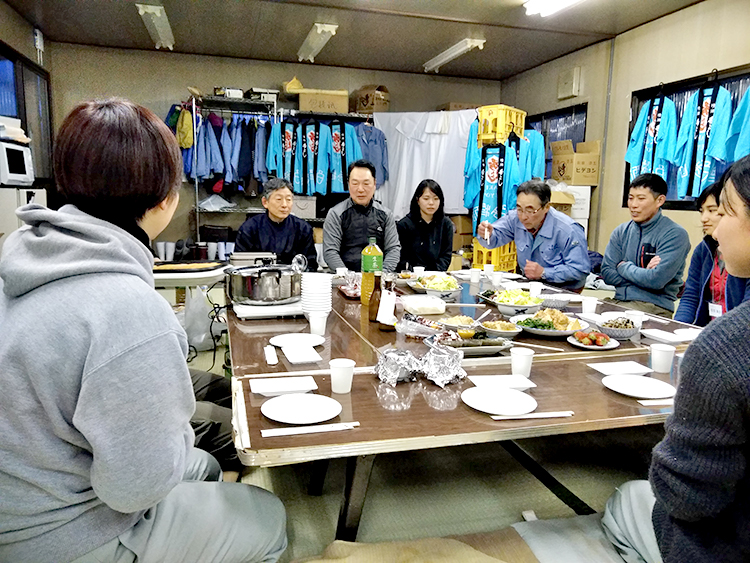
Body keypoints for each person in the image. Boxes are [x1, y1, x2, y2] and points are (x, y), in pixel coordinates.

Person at [0, 99, 287, 563]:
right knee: (268, 516)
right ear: (165, 200)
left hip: (23, 496)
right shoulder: (129, 307)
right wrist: (173, 430)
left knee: (206, 465)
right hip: (58, 535)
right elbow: (136, 489)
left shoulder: (21, 261)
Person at [600, 154, 750, 563]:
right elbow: (609, 271)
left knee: (627, 498)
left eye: (724, 212)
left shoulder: (727, 348)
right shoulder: (694, 250)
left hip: (725, 547)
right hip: (636, 310)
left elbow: (684, 498)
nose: (713, 225)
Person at [601, 173, 690, 318]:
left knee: (609, 322)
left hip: (654, 307)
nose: (633, 205)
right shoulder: (621, 231)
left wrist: (623, 267)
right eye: (631, 198)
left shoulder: (674, 234)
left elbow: (656, 280)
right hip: (619, 301)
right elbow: (607, 274)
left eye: (641, 198)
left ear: (660, 200)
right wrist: (643, 274)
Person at [477, 179, 590, 290]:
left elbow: (580, 270)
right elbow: (494, 239)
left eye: (530, 210)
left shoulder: (568, 230)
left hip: (564, 288)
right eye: (519, 209)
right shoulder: (514, 218)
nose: (523, 217)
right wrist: (486, 234)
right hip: (530, 283)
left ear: (546, 207)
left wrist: (544, 272)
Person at [674, 178, 750, 325]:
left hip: (732, 332)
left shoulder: (743, 252)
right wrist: (678, 328)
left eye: (712, 211)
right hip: (706, 328)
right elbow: (691, 295)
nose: (704, 218)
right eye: (702, 211)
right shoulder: (702, 250)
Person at [323, 159, 400, 272]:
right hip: (344, 277)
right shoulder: (336, 214)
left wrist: (381, 274)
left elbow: (393, 249)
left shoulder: (386, 215)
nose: (360, 189)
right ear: (348, 184)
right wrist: (348, 276)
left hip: (378, 275)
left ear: (374, 184)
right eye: (355, 183)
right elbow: (330, 252)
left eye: (366, 183)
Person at [235, 177, 318, 270]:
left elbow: (310, 265)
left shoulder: (303, 229)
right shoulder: (249, 229)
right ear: (265, 202)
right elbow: (240, 265)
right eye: (279, 199)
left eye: (288, 199)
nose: (284, 205)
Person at [396, 179, 455, 271]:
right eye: (426, 198)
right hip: (410, 275)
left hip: (436, 275)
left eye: (436, 199)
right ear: (417, 200)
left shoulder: (446, 224)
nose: (431, 203)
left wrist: (432, 274)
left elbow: (446, 256)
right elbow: (402, 258)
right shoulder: (404, 225)